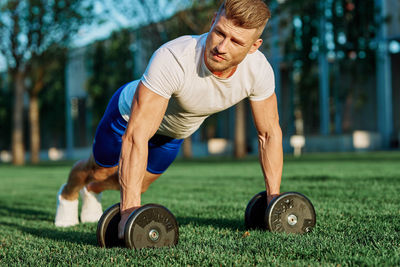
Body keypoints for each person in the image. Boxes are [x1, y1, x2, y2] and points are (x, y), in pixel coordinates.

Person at [55, 0, 283, 239]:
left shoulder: (258, 72)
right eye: (220, 33)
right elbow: (136, 136)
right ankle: (68, 193)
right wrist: (128, 212)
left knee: (139, 184)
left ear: (254, 46)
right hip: (127, 117)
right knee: (101, 169)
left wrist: (273, 200)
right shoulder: (175, 57)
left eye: (236, 41)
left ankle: (92, 190)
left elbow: (269, 134)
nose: (222, 47)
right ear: (214, 19)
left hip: (173, 133)